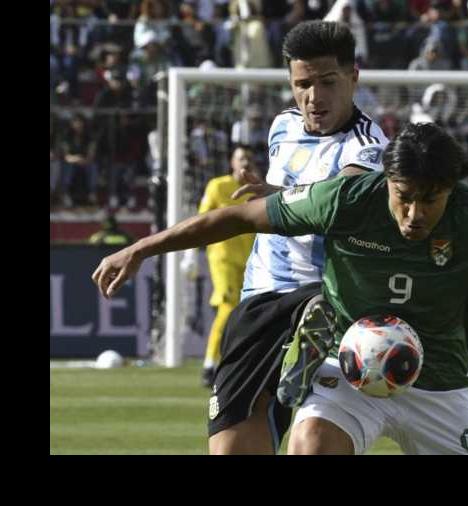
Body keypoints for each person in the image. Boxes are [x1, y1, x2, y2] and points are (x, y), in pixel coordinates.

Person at [93, 122, 468, 455]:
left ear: (449, 191)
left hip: (441, 384)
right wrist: (140, 248)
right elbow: (236, 218)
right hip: (350, 371)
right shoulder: (345, 199)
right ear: (387, 181)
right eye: (403, 197)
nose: (412, 214)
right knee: (309, 445)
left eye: (428, 201)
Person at [101, 21, 387, 455]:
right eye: (303, 84)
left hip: (325, 295)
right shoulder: (282, 127)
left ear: (354, 77)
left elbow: (332, 201)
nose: (314, 97)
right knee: (230, 449)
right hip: (260, 302)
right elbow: (257, 210)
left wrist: (278, 198)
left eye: (327, 82)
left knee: (313, 444)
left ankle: (306, 352)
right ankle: (291, 362)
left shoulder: (367, 148)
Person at [181, 145, 264, 388]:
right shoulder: (218, 186)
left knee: (250, 311)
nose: (245, 163)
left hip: (251, 261)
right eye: (240, 158)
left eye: (249, 158)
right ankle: (209, 364)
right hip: (223, 258)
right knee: (228, 308)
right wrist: (190, 255)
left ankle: (242, 363)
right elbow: (200, 221)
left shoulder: (258, 187)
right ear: (231, 162)